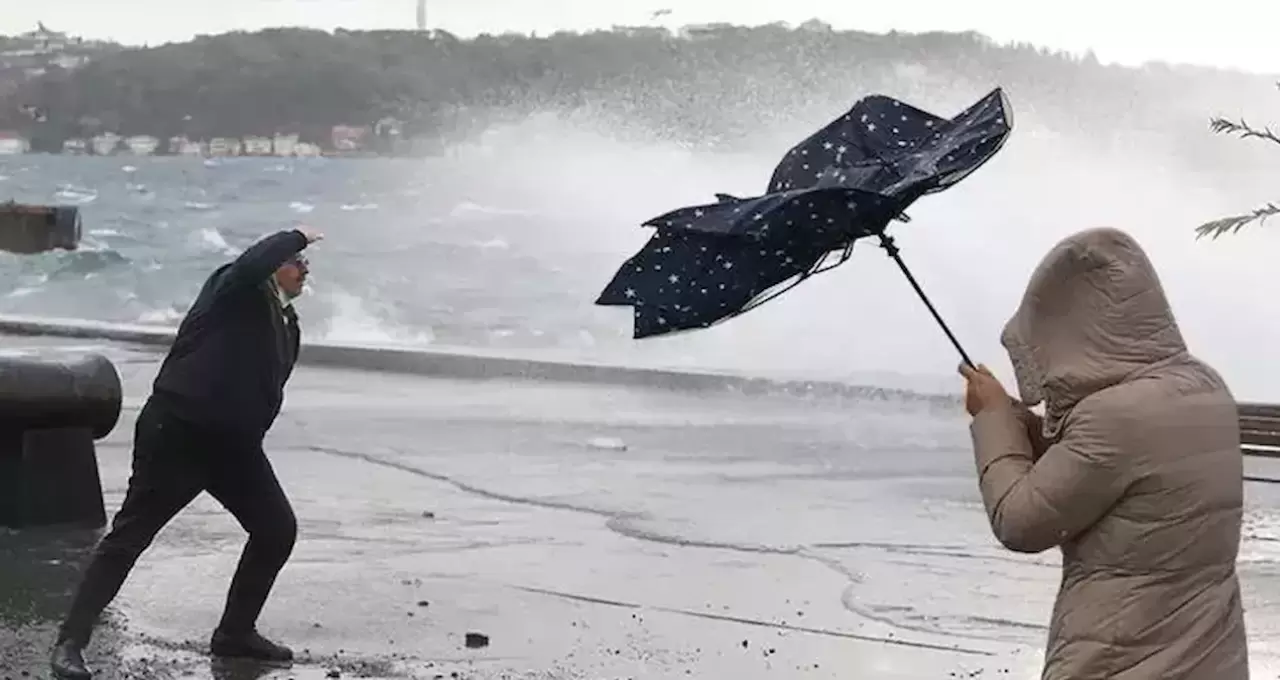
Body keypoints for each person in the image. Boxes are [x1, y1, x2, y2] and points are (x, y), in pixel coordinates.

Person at [958, 226, 1249, 680]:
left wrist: (993, 420)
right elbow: (1107, 472)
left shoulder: (1117, 416)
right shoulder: (1202, 386)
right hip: (1207, 653)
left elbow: (1021, 523)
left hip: (1121, 656)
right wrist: (1021, 424)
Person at [51, 226, 323, 679]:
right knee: (129, 539)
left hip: (233, 448)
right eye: (297, 261)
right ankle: (69, 644)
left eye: (304, 262)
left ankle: (235, 632)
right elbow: (251, 263)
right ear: (274, 265)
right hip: (178, 435)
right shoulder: (234, 288)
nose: (305, 268)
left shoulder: (287, 323)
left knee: (276, 529)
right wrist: (297, 235)